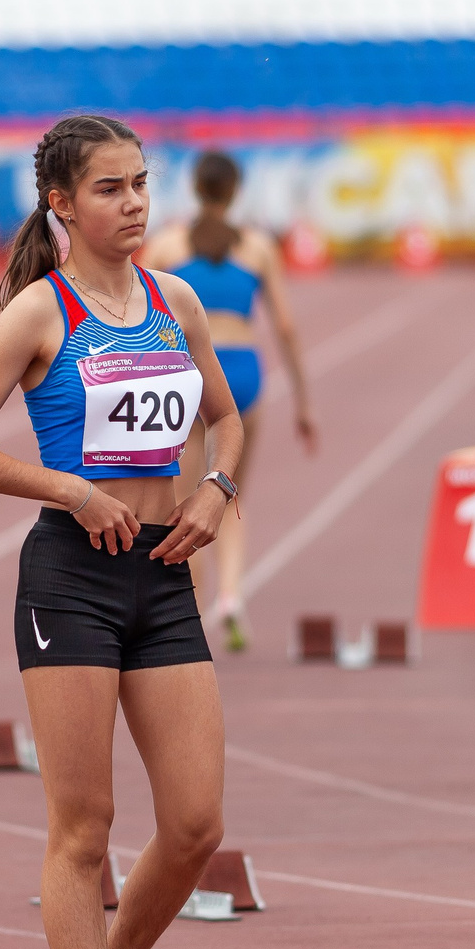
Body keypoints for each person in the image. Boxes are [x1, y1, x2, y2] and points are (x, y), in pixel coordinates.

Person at [0, 114, 242, 949]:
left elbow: (223, 416)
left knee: (194, 825)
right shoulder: (37, 313)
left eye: (143, 184)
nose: (136, 203)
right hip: (73, 579)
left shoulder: (174, 298)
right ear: (61, 204)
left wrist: (215, 489)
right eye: (110, 189)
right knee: (84, 826)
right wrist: (67, 490)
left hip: (164, 574)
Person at [140, 151, 317, 650]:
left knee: (187, 500)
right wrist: (303, 401)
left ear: (196, 190)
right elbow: (285, 326)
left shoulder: (168, 245)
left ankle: (190, 611)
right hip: (242, 372)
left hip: (186, 371)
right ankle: (232, 597)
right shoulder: (259, 248)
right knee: (228, 495)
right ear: (235, 191)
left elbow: (137, 315)